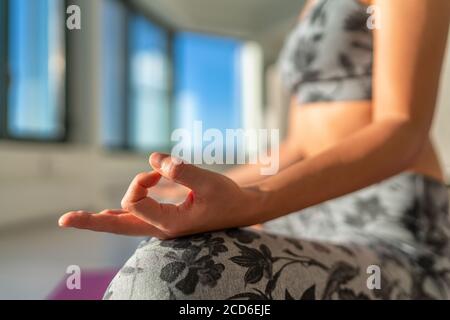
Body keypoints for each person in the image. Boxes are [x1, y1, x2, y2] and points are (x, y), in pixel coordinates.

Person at [59, 0, 450, 299]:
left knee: (167, 272)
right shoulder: (311, 8)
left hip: (387, 216)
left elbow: (402, 126)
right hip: (305, 207)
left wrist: (252, 202)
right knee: (173, 250)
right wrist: (197, 192)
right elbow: (299, 145)